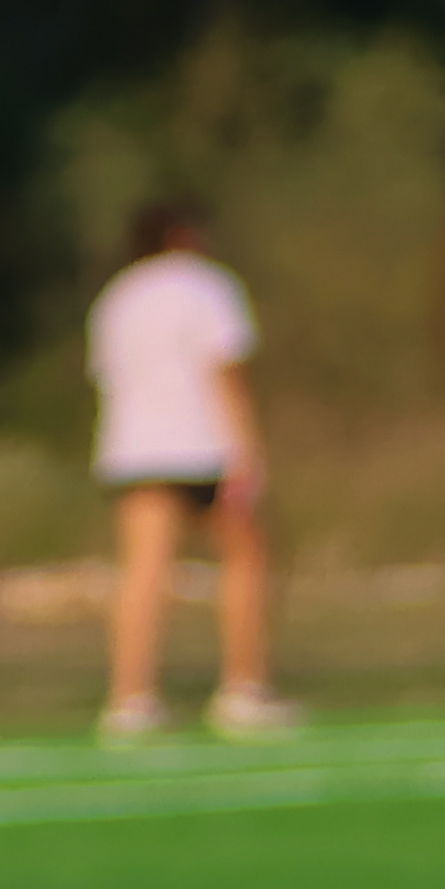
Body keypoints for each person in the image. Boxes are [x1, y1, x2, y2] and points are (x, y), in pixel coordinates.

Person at [85, 198, 299, 740]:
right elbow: (223, 371)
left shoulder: (119, 296)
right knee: (244, 558)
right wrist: (246, 451)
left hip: (133, 449)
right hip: (202, 447)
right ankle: (242, 688)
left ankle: (129, 698)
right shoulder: (206, 286)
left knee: (142, 570)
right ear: (184, 235)